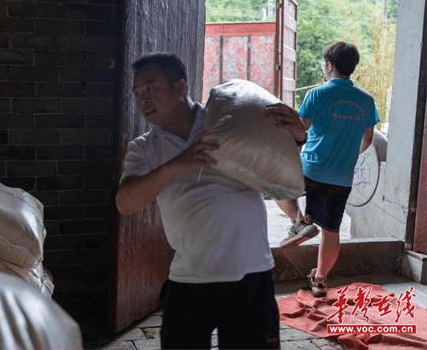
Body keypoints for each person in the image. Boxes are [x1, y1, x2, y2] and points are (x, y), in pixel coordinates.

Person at [115, 53, 306, 349]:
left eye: (151, 88)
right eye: (138, 93)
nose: (143, 99)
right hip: (190, 278)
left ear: (180, 88)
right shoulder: (145, 149)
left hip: (250, 274)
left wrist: (296, 138)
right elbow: (125, 202)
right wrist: (177, 165)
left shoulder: (232, 122)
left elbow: (282, 165)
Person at [275, 42, 379, 297]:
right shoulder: (366, 101)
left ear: (329, 65)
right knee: (332, 229)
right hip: (342, 176)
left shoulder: (317, 95)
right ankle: (320, 280)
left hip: (312, 166)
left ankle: (299, 222)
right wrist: (345, 157)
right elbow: (367, 140)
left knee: (275, 185)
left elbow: (300, 130)